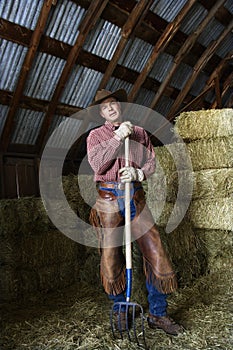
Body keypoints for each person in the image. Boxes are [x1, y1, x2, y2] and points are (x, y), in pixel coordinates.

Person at [86, 89, 183, 336]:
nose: (110, 108)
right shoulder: (95, 136)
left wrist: (139, 173)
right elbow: (99, 165)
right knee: (110, 255)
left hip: (135, 196)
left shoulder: (140, 133)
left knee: (154, 249)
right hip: (108, 197)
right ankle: (121, 308)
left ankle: (158, 314)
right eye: (105, 106)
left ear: (120, 106)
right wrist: (118, 137)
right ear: (101, 113)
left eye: (113, 103)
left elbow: (151, 161)